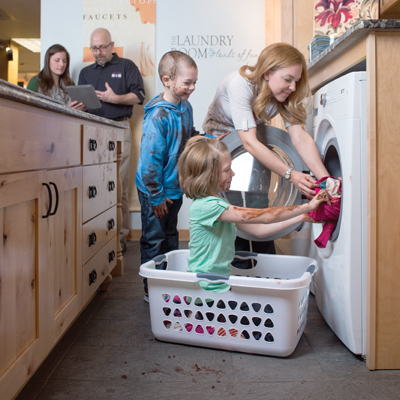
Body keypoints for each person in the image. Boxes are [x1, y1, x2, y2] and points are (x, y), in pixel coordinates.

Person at [202, 42, 330, 258]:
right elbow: (249, 142)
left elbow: (299, 138)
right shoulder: (240, 84)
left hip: (253, 146)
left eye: (297, 81)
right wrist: (291, 175)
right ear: (267, 73)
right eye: (288, 79)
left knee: (259, 207)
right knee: (230, 214)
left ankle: (265, 271)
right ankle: (233, 270)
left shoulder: (284, 94)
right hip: (222, 147)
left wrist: (326, 180)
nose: (292, 87)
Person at [178, 136, 328, 292]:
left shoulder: (218, 205)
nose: (233, 173)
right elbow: (265, 216)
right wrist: (308, 206)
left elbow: (258, 230)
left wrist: (301, 217)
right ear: (209, 176)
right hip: (205, 288)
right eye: (227, 169)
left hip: (215, 284)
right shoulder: (208, 207)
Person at [135, 51, 198, 302]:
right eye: (187, 83)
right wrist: (157, 197)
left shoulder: (186, 107)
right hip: (154, 191)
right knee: (153, 240)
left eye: (194, 82)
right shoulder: (157, 117)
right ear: (167, 80)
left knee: (171, 236)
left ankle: (170, 281)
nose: (192, 88)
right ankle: (152, 289)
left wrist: (206, 139)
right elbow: (150, 166)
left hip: (173, 188)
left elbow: (188, 135)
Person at [78, 28, 145, 252]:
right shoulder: (86, 73)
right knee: (93, 184)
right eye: (94, 48)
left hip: (119, 128)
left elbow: (139, 95)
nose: (98, 52)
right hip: (92, 132)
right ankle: (96, 235)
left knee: (119, 185)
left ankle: (120, 236)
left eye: (102, 47)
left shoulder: (127, 67)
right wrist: (78, 106)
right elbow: (81, 102)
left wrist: (115, 98)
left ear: (111, 45)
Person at [27, 44, 85, 110]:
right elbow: (28, 108)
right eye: (57, 60)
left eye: (64, 61)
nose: (62, 64)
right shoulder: (35, 82)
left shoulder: (70, 83)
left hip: (67, 120)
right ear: (48, 61)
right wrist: (66, 110)